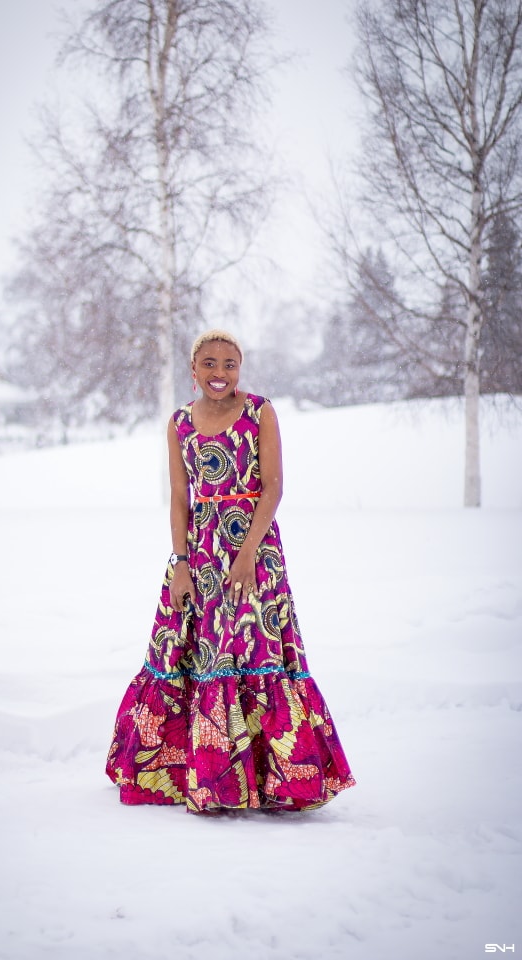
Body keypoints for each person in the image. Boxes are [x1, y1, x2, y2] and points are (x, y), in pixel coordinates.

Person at [105, 329, 355, 814]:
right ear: (193, 370)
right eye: (210, 364)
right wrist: (180, 565)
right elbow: (181, 500)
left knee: (254, 652)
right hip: (198, 557)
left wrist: (246, 554)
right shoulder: (179, 423)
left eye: (230, 364)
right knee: (196, 655)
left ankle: (270, 779)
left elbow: (273, 487)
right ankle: (195, 775)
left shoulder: (260, 411)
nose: (220, 373)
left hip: (254, 554)